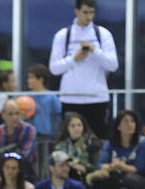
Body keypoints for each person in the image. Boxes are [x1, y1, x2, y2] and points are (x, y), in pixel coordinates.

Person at [48, 0, 118, 139]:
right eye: (85, 12)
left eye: (92, 12)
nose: (89, 16)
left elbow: (113, 65)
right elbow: (54, 68)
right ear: (77, 11)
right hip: (70, 99)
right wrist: (74, 59)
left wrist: (95, 51)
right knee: (70, 141)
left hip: (97, 98)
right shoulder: (63, 35)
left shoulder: (103, 34)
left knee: (98, 142)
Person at [0, 99, 37, 181]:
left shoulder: (29, 129)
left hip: (24, 175)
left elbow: (24, 156)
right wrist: (14, 152)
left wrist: (1, 154)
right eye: (10, 114)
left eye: (17, 113)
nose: (15, 117)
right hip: (0, 176)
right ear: (3, 115)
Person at [53, 111, 101, 182]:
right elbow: (57, 165)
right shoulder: (60, 146)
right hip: (68, 175)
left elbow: (97, 165)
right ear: (67, 128)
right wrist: (73, 166)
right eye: (73, 126)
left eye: (79, 125)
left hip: (88, 175)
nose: (77, 128)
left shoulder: (91, 143)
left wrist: (84, 168)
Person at [24, 64, 62, 141]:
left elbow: (58, 117)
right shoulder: (25, 97)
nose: (28, 80)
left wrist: (55, 134)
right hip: (28, 135)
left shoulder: (51, 96)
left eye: (31, 77)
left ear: (40, 79)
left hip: (46, 135)